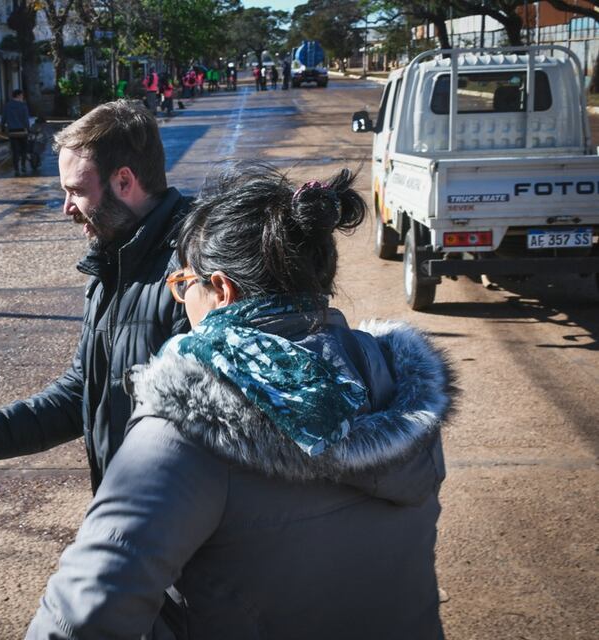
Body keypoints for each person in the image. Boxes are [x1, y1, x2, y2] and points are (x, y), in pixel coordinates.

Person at [27, 161, 452, 640]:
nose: (180, 300)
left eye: (183, 284)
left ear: (222, 290)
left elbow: (80, 618)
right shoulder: (397, 383)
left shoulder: (191, 425)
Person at [0, 100, 192, 492]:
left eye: (76, 191)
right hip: (130, 511)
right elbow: (83, 391)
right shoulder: (114, 262)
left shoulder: (194, 273)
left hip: (172, 523)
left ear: (124, 182)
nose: (66, 208)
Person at [1, 88, 31, 176]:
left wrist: (2, 127)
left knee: (15, 151)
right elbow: (26, 120)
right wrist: (28, 129)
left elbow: (3, 118)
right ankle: (23, 166)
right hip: (22, 131)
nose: (22, 97)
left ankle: (16, 169)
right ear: (18, 95)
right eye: (22, 95)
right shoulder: (23, 106)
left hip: (12, 132)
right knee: (24, 150)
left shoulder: (7, 106)